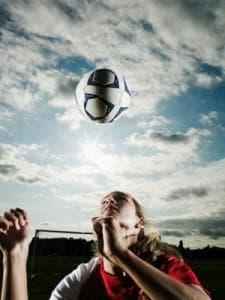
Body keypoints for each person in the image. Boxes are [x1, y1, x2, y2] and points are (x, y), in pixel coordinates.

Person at [0, 191, 210, 300]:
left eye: (119, 198)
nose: (109, 199)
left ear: (139, 224)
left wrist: (120, 254)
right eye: (105, 200)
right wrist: (15, 256)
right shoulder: (83, 277)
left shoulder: (165, 266)